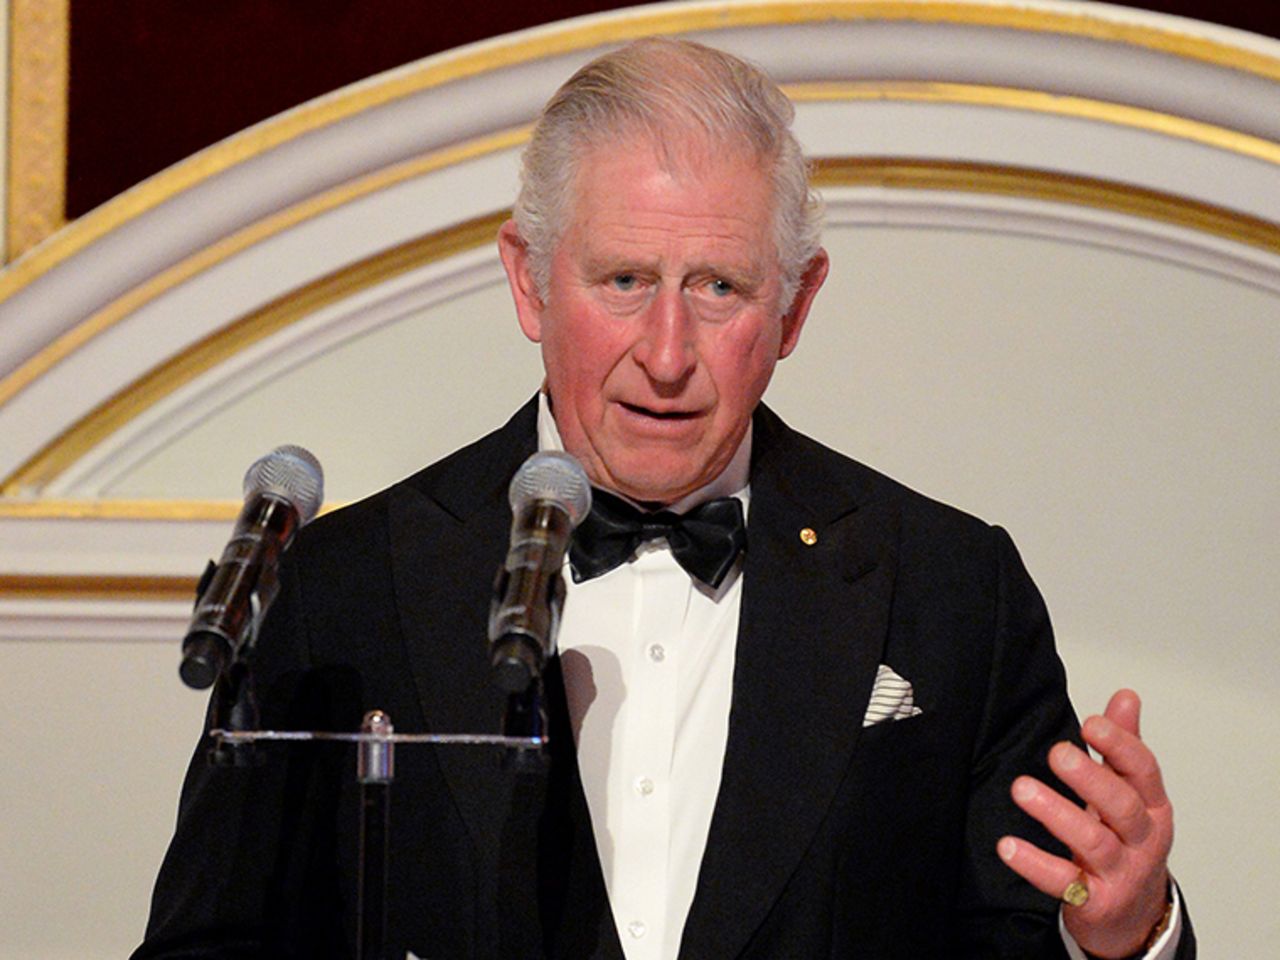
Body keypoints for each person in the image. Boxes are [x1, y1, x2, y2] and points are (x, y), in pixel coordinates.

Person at [134, 38, 1193, 959]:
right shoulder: (338, 591)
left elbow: (1019, 935)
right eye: (624, 280)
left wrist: (1118, 938)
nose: (668, 354)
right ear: (525, 280)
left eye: (718, 287)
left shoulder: (954, 591)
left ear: (793, 305)